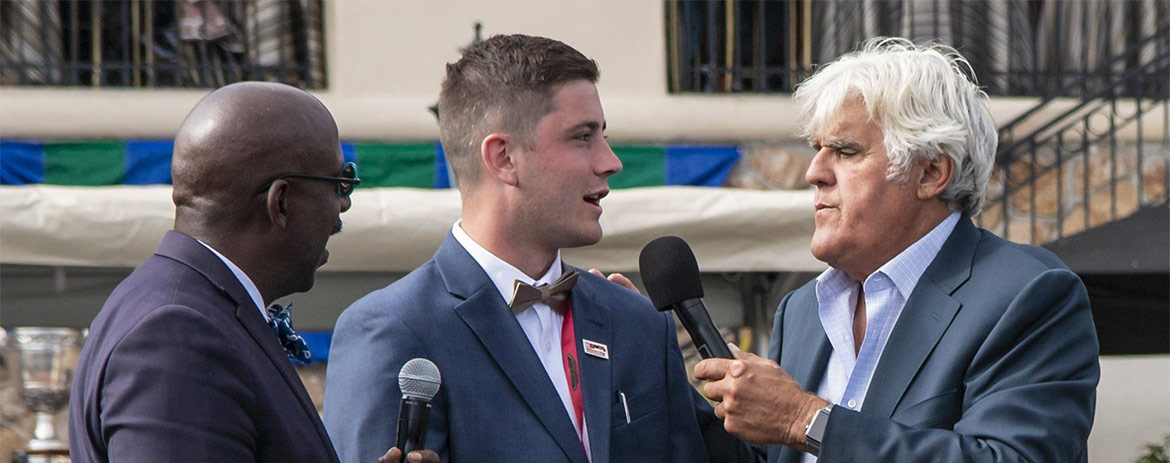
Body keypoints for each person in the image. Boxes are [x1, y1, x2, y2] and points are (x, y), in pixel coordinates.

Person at [694, 38, 1100, 462]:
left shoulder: (1027, 294)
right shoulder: (801, 310)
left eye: (846, 151)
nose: (814, 173)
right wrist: (649, 351)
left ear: (930, 173)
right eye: (818, 151)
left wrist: (805, 419)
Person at [323, 34, 706, 463]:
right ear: (503, 157)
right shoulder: (392, 329)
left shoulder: (637, 324)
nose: (610, 161)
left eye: (603, 135)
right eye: (583, 137)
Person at [68, 82, 435, 463]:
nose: (343, 204)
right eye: (339, 183)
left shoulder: (183, 305)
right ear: (281, 202)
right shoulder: (177, 333)